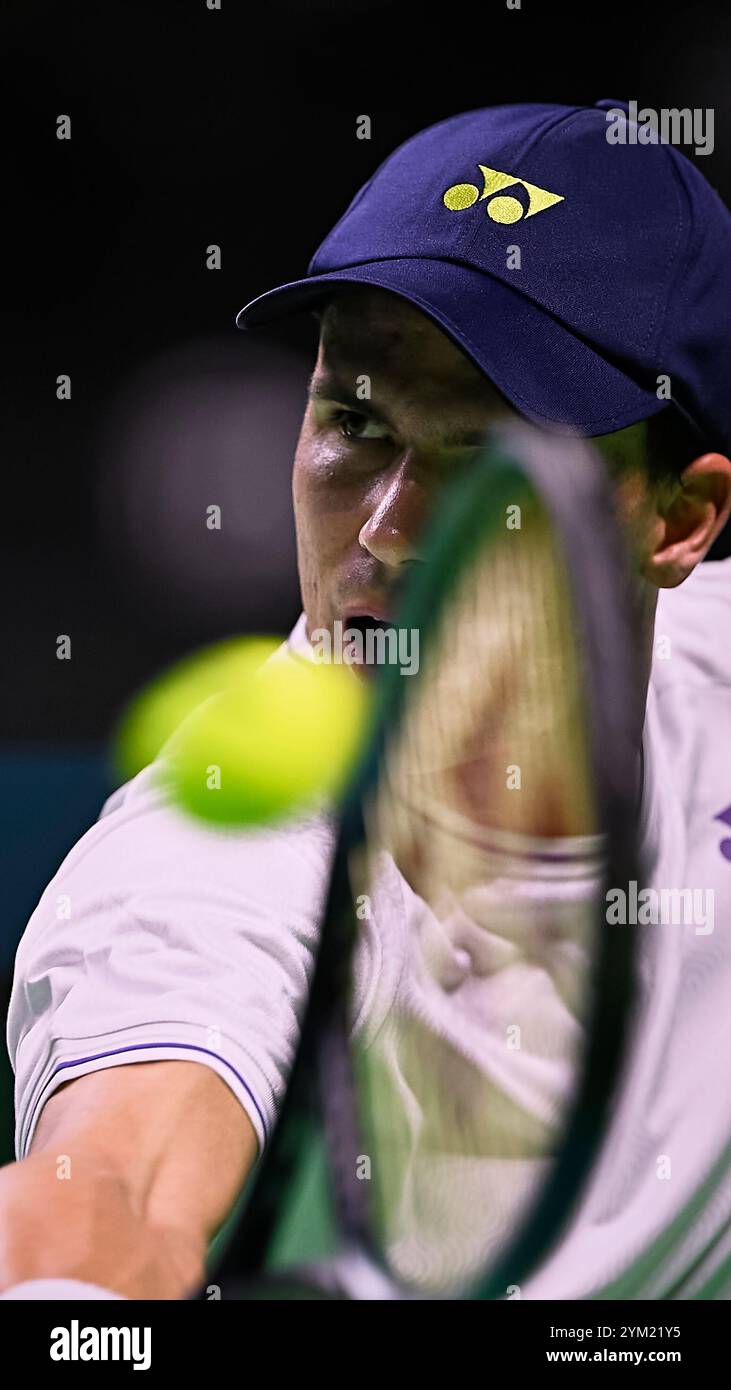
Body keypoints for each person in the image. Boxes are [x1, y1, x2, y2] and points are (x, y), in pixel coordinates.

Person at [2, 100, 731, 1300]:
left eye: (483, 458)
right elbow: (112, 1182)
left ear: (677, 520)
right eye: (352, 423)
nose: (385, 535)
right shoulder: (211, 854)